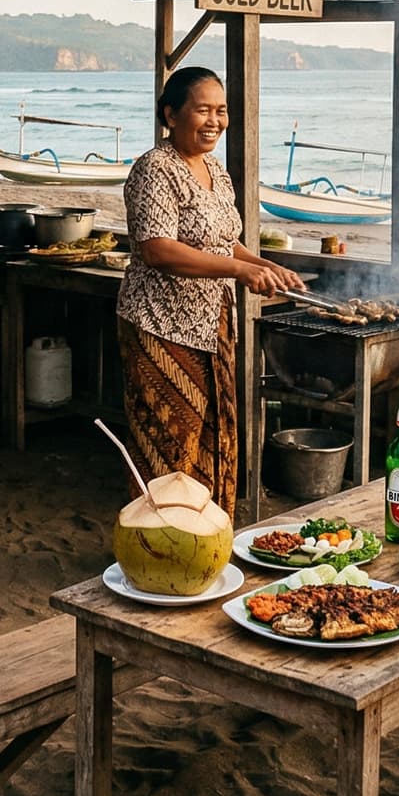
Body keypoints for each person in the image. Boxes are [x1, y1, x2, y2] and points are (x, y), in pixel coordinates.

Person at [116, 68, 304, 517]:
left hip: (213, 323)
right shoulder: (154, 169)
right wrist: (239, 269)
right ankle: (158, 541)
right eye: (203, 109)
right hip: (161, 325)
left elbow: (223, 240)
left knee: (213, 434)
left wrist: (263, 264)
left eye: (221, 111)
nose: (215, 120)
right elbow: (158, 249)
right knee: (168, 442)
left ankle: (206, 532)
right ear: (171, 114)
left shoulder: (217, 172)